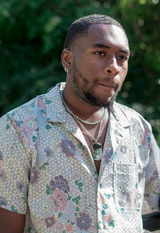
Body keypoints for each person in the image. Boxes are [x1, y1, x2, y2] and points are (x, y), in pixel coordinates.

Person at [0, 14, 159, 233]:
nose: (113, 67)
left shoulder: (137, 129)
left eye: (122, 57)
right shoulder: (19, 128)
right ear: (67, 59)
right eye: (100, 53)